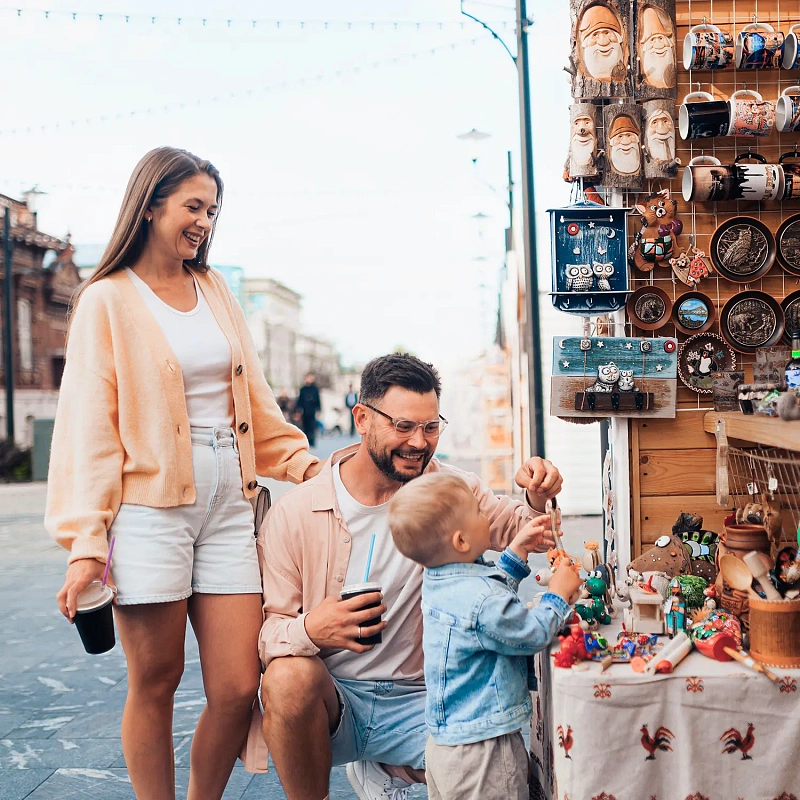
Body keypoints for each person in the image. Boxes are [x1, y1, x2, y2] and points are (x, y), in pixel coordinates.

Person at [45, 146, 320, 800]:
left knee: (233, 686)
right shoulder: (107, 300)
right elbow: (88, 428)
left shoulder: (215, 289)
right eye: (193, 206)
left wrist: (305, 463)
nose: (204, 221)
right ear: (150, 206)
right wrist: (86, 546)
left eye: (212, 210)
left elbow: (253, 394)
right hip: (148, 513)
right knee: (157, 682)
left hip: (232, 502)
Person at [256, 353, 564, 800]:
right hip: (341, 701)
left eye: (430, 427)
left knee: (498, 766)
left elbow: (526, 530)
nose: (419, 442)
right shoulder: (297, 511)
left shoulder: (450, 491)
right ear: (361, 418)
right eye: (403, 427)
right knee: (285, 679)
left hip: (431, 701)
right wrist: (311, 628)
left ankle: (393, 768)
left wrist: (537, 498)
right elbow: (268, 636)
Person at [388, 473, 581, 800]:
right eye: (479, 512)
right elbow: (529, 633)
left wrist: (515, 552)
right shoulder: (481, 601)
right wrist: (557, 595)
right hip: (484, 753)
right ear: (461, 541)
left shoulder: (442, 579)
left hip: (447, 745)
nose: (486, 516)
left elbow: (489, 601)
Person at [296, 372, 322, 447]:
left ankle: (312, 441)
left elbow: (318, 400)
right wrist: (298, 410)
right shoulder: (303, 389)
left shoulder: (315, 389)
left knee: (312, 426)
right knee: (305, 426)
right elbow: (300, 400)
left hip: (312, 411)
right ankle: (306, 441)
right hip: (304, 411)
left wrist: (318, 410)